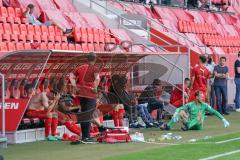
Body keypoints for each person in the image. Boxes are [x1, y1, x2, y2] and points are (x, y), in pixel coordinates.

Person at [69, 52, 100, 144]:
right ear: (95, 60)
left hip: (81, 93)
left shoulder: (80, 67)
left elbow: (71, 76)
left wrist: (75, 86)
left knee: (84, 114)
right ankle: (86, 136)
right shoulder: (94, 68)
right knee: (89, 114)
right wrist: (95, 88)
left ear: (87, 59)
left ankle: (85, 136)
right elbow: (97, 78)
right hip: (90, 93)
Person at [160, 90, 230, 131]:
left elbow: (214, 112)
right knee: (181, 112)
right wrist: (176, 114)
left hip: (198, 125)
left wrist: (223, 120)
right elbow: (179, 108)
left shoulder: (204, 105)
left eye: (203, 97)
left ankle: (187, 126)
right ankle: (168, 126)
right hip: (189, 122)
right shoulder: (190, 104)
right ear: (196, 97)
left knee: (199, 116)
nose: (202, 98)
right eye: (201, 97)